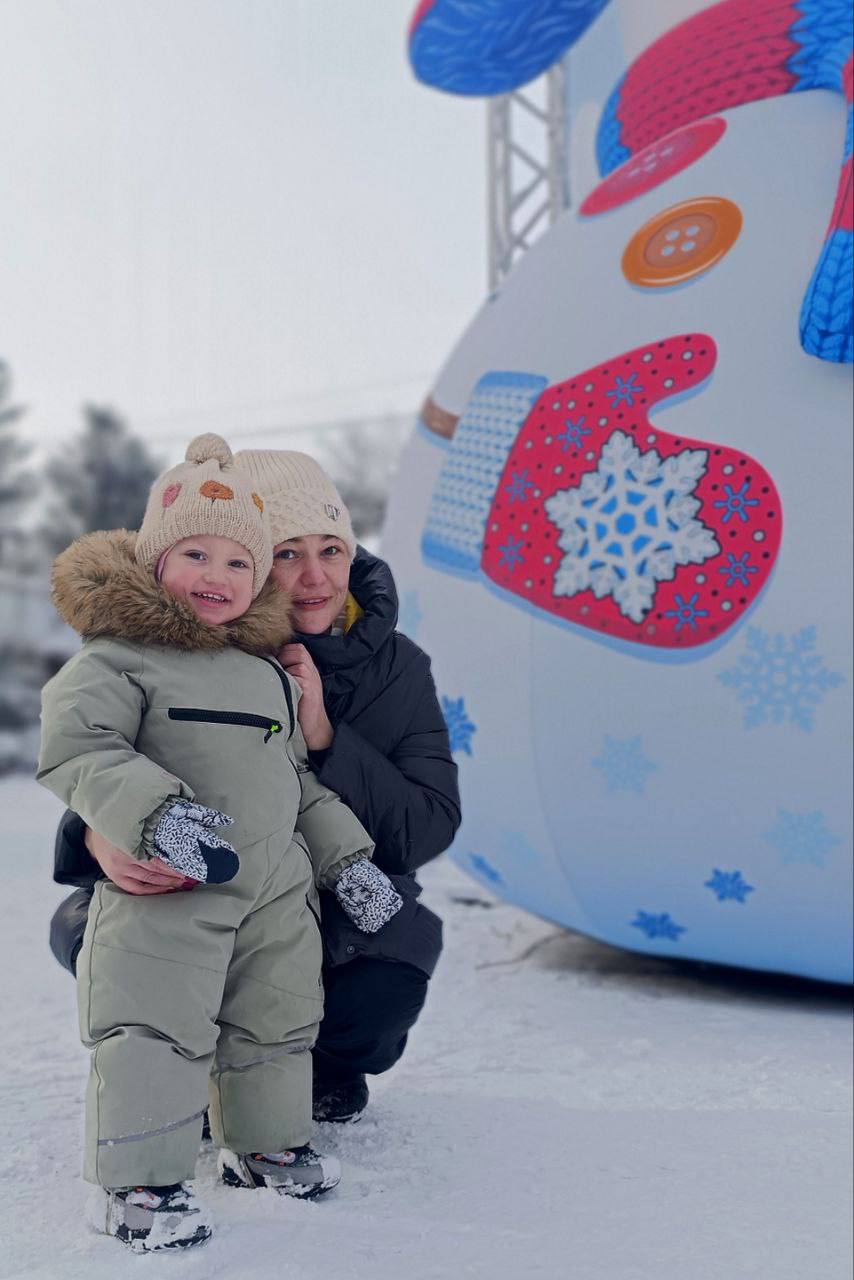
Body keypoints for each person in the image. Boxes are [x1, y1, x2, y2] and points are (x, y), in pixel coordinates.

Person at [38, 434, 402, 1253]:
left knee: (276, 1025)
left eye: (240, 562)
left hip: (274, 892)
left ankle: (264, 1142)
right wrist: (147, 815)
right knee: (152, 1029)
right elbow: (81, 747)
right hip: (169, 887)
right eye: (195, 553)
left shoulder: (263, 671)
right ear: (154, 561)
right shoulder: (120, 659)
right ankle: (136, 1183)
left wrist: (349, 861)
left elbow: (297, 782)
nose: (218, 576)